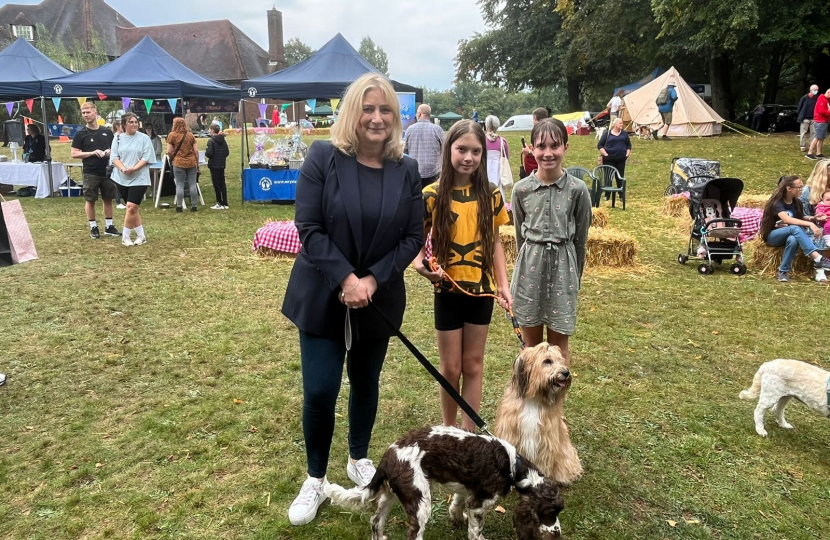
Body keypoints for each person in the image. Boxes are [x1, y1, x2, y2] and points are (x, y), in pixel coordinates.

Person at [281, 73, 423, 526]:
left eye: (385, 110)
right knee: (320, 390)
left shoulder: (407, 170)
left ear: (395, 118)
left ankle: (358, 456)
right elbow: (309, 227)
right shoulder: (323, 157)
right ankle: (316, 478)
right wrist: (345, 277)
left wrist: (372, 281)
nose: (377, 118)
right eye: (368, 109)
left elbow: (412, 236)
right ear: (352, 113)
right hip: (323, 294)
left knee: (366, 382)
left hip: (377, 299)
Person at [413, 119, 511, 431]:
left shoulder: (491, 195)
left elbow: (495, 242)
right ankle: (449, 430)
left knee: (473, 364)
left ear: (483, 155)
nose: (468, 157)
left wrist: (504, 285)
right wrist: (419, 264)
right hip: (447, 291)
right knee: (450, 366)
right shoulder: (431, 195)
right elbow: (417, 239)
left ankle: (468, 435)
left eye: (476, 151)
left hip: (482, 291)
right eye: (462, 149)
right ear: (449, 150)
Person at [510, 118, 593, 363]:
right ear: (531, 149)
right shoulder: (521, 190)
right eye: (541, 146)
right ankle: (530, 401)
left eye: (554, 146)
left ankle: (555, 402)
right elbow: (518, 236)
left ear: (565, 148)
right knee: (530, 350)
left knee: (558, 351)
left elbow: (580, 239)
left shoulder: (577, 189)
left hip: (563, 271)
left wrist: (573, 278)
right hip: (529, 272)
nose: (548, 153)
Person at [759, 175, 830, 282]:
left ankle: (783, 272)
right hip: (772, 236)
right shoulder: (777, 203)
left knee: (793, 238)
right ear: (789, 188)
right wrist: (810, 225)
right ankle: (817, 257)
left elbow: (799, 218)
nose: (802, 189)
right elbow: (787, 219)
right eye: (799, 187)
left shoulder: (797, 202)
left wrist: (812, 218)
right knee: (795, 228)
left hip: (789, 234)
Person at [71, 102, 118, 240]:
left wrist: (110, 152)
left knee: (108, 198)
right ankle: (93, 227)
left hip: (107, 171)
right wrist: (91, 153)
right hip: (90, 172)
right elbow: (74, 153)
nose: (86, 115)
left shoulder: (107, 132)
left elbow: (115, 149)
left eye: (88, 112)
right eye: (83, 113)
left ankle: (109, 226)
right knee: (90, 199)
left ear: (95, 113)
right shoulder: (80, 134)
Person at [109, 113, 156, 246]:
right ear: (124, 125)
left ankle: (125, 236)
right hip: (122, 177)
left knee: (130, 207)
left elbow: (147, 157)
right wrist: (123, 168)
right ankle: (141, 236)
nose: (135, 124)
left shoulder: (144, 138)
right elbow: (114, 157)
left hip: (140, 177)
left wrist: (134, 168)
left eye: (136, 122)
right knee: (133, 209)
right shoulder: (117, 138)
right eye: (131, 122)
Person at [403, 104, 445, 189]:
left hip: (415, 173)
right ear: (429, 115)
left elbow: (405, 151)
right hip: (434, 174)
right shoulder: (438, 130)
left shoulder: (410, 129)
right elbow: (446, 149)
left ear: (419, 114)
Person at [166, 117, 200, 212]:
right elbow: (196, 151)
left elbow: (169, 151)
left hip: (178, 162)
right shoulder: (190, 135)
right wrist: (197, 163)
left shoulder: (172, 135)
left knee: (179, 185)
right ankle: (194, 206)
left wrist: (173, 158)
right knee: (192, 184)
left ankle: (179, 206)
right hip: (191, 162)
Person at [484, 114, 510, 201]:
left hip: (484, 168)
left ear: (487, 125)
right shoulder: (503, 141)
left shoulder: (481, 140)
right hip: (498, 170)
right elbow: (507, 158)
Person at [597, 117, 632, 181]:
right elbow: (600, 145)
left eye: (622, 123)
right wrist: (606, 155)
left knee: (620, 178)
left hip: (621, 159)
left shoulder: (624, 134)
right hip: (609, 160)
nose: (622, 124)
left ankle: (621, 190)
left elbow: (629, 145)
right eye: (620, 123)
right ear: (615, 124)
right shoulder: (607, 134)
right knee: (608, 178)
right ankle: (608, 191)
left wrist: (627, 154)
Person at [205, 123, 229, 210]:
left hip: (214, 165)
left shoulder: (211, 141)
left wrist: (206, 152)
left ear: (212, 130)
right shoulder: (223, 140)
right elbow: (227, 152)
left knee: (216, 184)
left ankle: (219, 202)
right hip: (222, 164)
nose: (208, 131)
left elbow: (209, 153)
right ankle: (225, 203)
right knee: (222, 183)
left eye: (209, 129)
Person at [521, 107, 549, 176]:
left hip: (539, 172)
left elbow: (545, 152)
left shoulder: (545, 132)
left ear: (535, 119)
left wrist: (529, 152)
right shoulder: (540, 131)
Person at [806, 88, 830, 161]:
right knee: (817, 137)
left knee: (821, 138)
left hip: (824, 121)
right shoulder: (822, 100)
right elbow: (821, 111)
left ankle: (818, 153)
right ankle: (809, 153)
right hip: (820, 121)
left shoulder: (826, 100)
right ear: (828, 93)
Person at [797, 85, 819, 152]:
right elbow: (799, 107)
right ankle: (802, 146)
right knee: (803, 132)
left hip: (814, 118)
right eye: (815, 89)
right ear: (811, 89)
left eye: (817, 90)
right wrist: (801, 116)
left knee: (813, 133)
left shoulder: (817, 98)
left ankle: (811, 146)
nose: (816, 91)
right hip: (805, 118)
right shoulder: (804, 97)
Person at [111, 119, 126, 209]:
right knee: (118, 183)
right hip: (116, 164)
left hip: (122, 162)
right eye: (121, 125)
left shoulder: (122, 136)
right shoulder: (116, 137)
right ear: (117, 127)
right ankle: (118, 202)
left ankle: (121, 200)